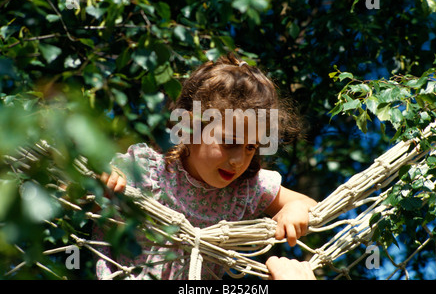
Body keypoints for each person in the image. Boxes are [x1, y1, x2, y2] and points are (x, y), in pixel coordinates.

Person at [95, 53, 317, 279]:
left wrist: (294, 209)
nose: (238, 160)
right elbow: (85, 188)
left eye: (251, 147)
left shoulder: (245, 188)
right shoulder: (149, 170)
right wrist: (106, 180)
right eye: (230, 142)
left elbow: (307, 204)